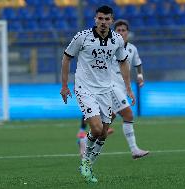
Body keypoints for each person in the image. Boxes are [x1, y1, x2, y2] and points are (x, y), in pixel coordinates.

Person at [60, 5, 134, 183]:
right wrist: (64, 85)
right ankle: (85, 159)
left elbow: (123, 62)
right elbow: (67, 57)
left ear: (111, 20)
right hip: (84, 88)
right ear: (95, 19)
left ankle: (87, 164)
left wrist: (128, 87)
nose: (103, 22)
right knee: (97, 128)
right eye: (100, 19)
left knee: (104, 132)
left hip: (105, 89)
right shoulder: (82, 37)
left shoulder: (116, 39)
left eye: (107, 19)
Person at [76, 19, 149, 159]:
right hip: (110, 86)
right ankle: (134, 150)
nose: (121, 32)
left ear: (128, 32)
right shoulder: (109, 46)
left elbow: (137, 63)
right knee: (128, 115)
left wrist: (139, 76)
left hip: (121, 88)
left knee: (104, 126)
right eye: (118, 30)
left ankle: (84, 141)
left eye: (124, 30)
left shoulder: (132, 49)